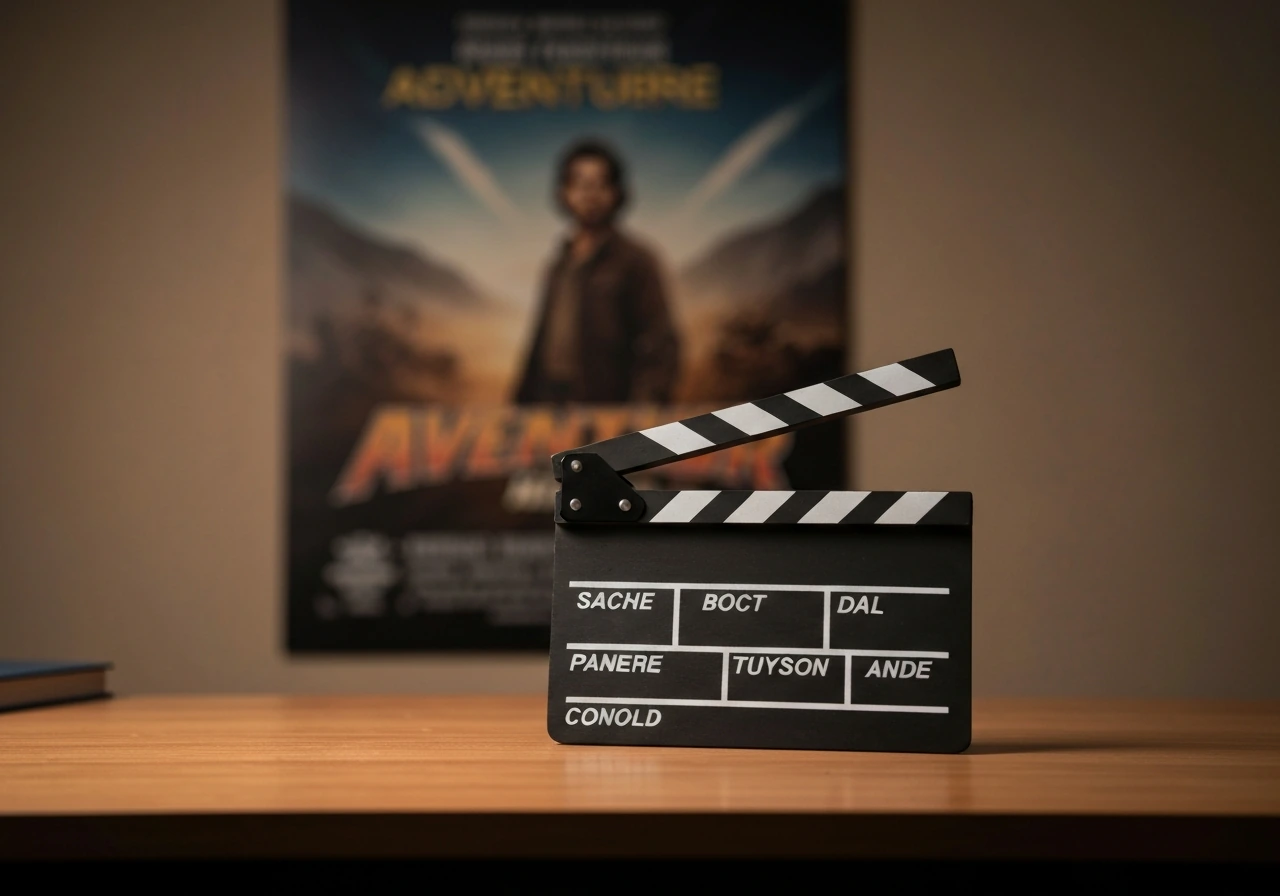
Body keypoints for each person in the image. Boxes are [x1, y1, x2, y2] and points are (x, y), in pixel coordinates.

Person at [513, 139, 680, 404]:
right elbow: (540, 343)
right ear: (564, 192)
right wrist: (520, 405)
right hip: (548, 402)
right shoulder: (559, 263)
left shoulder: (636, 260)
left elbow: (661, 345)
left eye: (601, 184)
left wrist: (642, 414)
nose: (590, 194)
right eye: (580, 184)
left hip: (607, 407)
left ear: (617, 192)